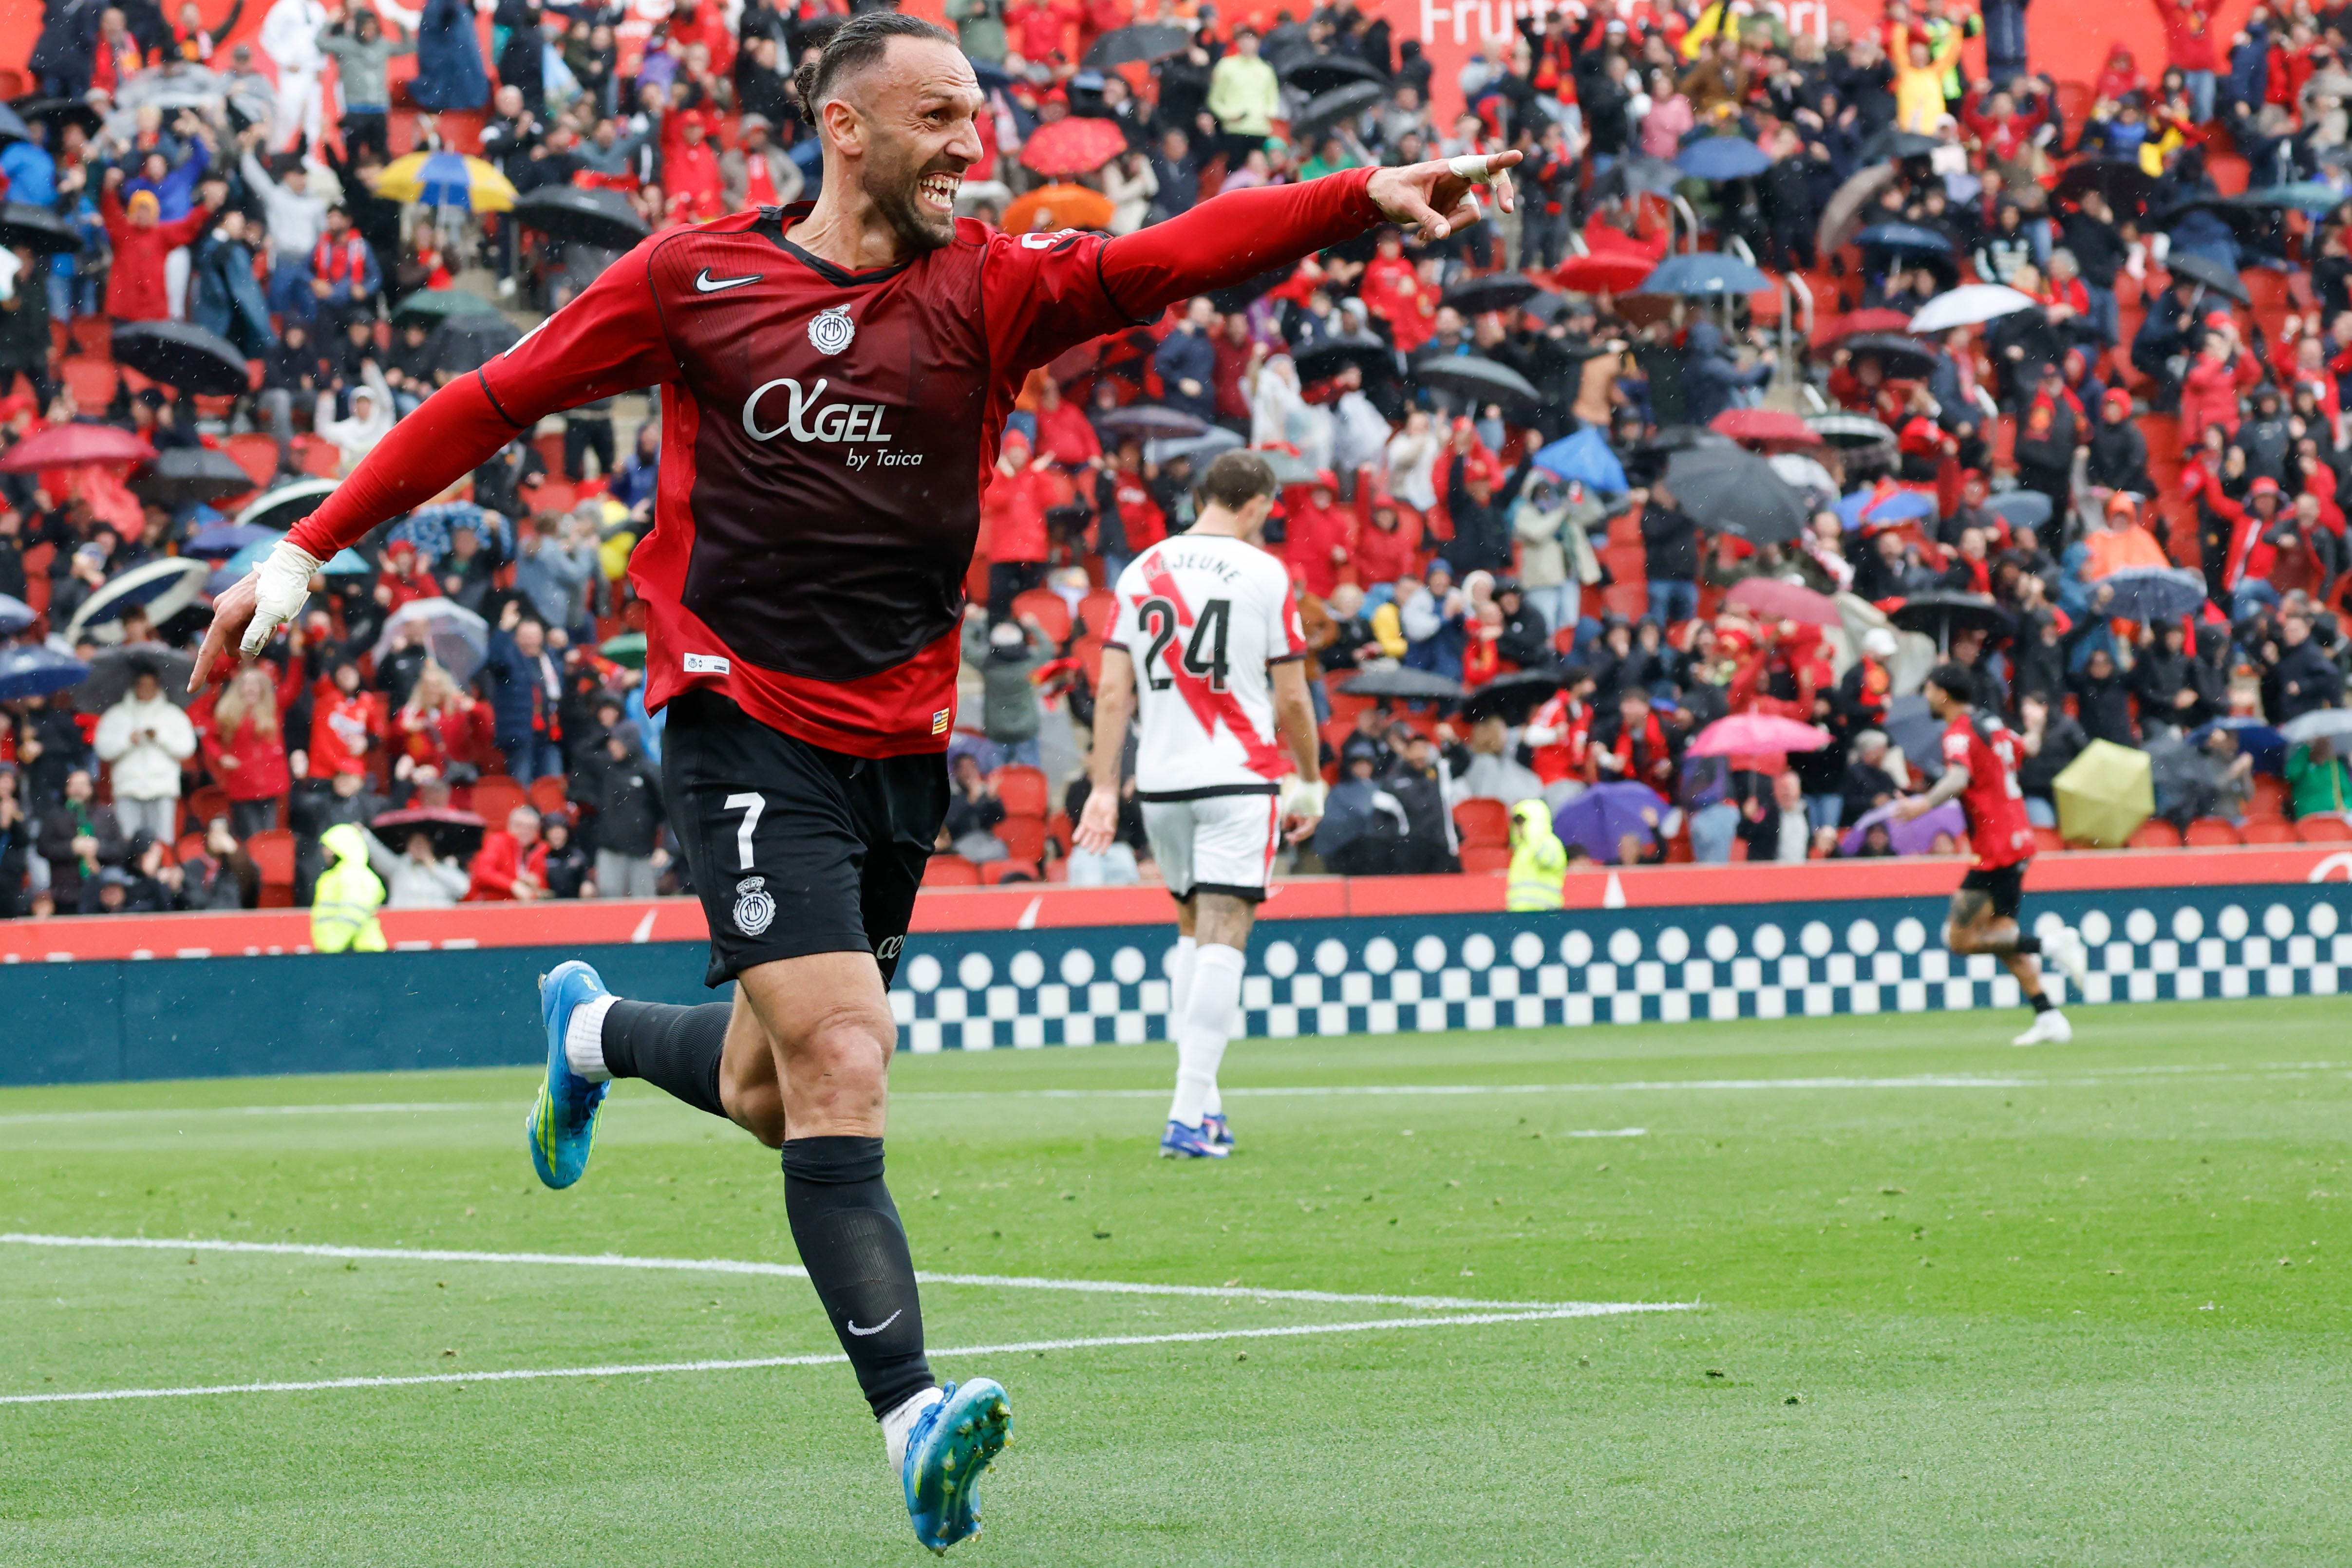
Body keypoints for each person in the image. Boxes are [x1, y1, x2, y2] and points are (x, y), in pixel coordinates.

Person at [196, 11, 1521, 1549]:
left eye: (980, 118)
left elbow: (1179, 253)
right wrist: (304, 549)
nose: (973, 147)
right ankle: (910, 1415)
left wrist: (1356, 196)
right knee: (844, 1055)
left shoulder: (992, 285)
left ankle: (597, 1027)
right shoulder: (693, 281)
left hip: (898, 747)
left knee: (775, 1088)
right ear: (844, 129)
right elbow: (496, 402)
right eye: (941, 118)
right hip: (737, 718)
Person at [1077, 450, 1320, 1159]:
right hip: (1238, 775)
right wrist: (1307, 779)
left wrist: (1100, 785)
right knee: (1224, 932)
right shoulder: (1263, 573)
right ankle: (1186, 1116)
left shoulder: (1141, 570)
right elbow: (1294, 697)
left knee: (1190, 928)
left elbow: (1113, 693)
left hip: (1160, 781)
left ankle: (1205, 1108)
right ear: (1257, 504)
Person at [1892, 663, 2091, 1047]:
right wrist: (2035, 723)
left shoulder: (1958, 734)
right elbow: (2028, 749)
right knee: (2001, 936)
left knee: (1959, 940)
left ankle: (2050, 945)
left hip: (1994, 848)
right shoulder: (1992, 724)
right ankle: (2049, 1017)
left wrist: (1922, 804)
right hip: (2018, 839)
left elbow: (1957, 778)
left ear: (1943, 694)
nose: (1927, 697)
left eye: (1929, 690)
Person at [94, 660, 197, 844]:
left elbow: (187, 748)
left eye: (151, 685)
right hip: (128, 789)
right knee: (129, 843)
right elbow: (103, 749)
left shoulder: (172, 714)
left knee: (163, 843)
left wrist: (160, 737)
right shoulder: (117, 715)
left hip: (162, 789)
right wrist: (127, 741)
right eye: (142, 685)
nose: (146, 690)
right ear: (135, 687)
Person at [310, 821, 388, 952]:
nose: (326, 852)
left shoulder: (355, 876)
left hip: (360, 952)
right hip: (345, 952)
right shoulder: (336, 876)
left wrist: (332, 945)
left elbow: (353, 914)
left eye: (329, 847)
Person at [1504, 797, 1565, 910]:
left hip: (1546, 911)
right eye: (1517, 824)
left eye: (1523, 823)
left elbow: (1547, 860)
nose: (1519, 828)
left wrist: (1533, 835)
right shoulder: (1522, 850)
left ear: (1535, 821)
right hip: (1520, 913)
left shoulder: (1550, 842)